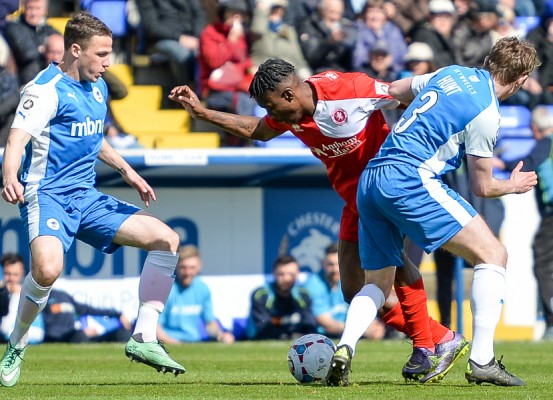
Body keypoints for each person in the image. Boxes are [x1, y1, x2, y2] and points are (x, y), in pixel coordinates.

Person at [169, 58, 469, 386]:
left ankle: (427, 346)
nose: (273, 115)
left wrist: (438, 137)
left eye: (273, 107)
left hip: (386, 188)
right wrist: (203, 114)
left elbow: (409, 94)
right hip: (354, 201)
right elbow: (259, 130)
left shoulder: (350, 91)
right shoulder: (289, 111)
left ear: (287, 95)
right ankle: (441, 337)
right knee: (353, 289)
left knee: (393, 267)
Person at [0, 12, 185, 388]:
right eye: (101, 54)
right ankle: (17, 342)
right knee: (48, 270)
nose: (107, 62)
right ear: (75, 49)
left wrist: (127, 171)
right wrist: (8, 174)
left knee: (166, 239)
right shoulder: (44, 89)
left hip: (86, 196)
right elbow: (18, 137)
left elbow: (92, 136)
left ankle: (144, 337)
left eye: (110, 53)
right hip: (47, 195)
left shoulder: (97, 86)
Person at [342, 36, 540, 387]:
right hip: (409, 176)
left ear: (490, 59)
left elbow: (398, 88)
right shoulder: (487, 111)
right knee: (493, 254)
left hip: (372, 179)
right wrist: (513, 184)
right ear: (522, 78)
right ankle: (482, 360)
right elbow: (482, 187)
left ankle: (344, 348)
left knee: (379, 282)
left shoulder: (452, 73)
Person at [494, 105, 553, 340]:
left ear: (534, 129)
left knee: (542, 264)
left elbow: (528, 163)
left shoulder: (546, 143)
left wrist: (502, 165)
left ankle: (550, 321)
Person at [303, 242, 385, 340]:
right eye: (330, 264)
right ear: (323, 263)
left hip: (349, 332)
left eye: (338, 264)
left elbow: (363, 310)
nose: (335, 269)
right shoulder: (313, 284)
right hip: (322, 337)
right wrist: (363, 331)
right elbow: (328, 325)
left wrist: (374, 327)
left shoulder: (351, 280)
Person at [157, 245, 235, 344]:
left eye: (192, 268)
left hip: (194, 342)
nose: (188, 272)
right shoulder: (166, 288)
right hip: (169, 343)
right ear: (176, 266)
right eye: (183, 267)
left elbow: (209, 324)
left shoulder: (202, 288)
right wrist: (176, 344)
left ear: (199, 267)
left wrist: (221, 336)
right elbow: (155, 328)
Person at [246, 254, 317, 340]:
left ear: (298, 274)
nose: (286, 278)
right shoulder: (261, 295)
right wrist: (288, 336)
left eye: (291, 274)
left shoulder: (303, 295)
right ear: (273, 274)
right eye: (281, 274)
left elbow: (310, 326)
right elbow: (263, 327)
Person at [41, 288, 132, 343]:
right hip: (61, 338)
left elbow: (89, 309)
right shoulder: (37, 297)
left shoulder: (63, 296)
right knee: (80, 336)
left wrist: (117, 314)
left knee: (122, 334)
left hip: (77, 336)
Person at [3, 0, 60, 86]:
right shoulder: (14, 27)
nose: (33, 13)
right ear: (23, 8)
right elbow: (28, 53)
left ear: (45, 11)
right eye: (30, 8)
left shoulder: (50, 30)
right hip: (23, 84)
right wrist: (47, 48)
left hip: (49, 83)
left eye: (37, 8)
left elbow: (63, 49)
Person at [0, 253, 44, 344]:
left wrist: (16, 295)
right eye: (7, 274)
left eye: (15, 274)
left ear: (22, 274)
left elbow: (39, 333)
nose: (11, 279)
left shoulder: (30, 295)